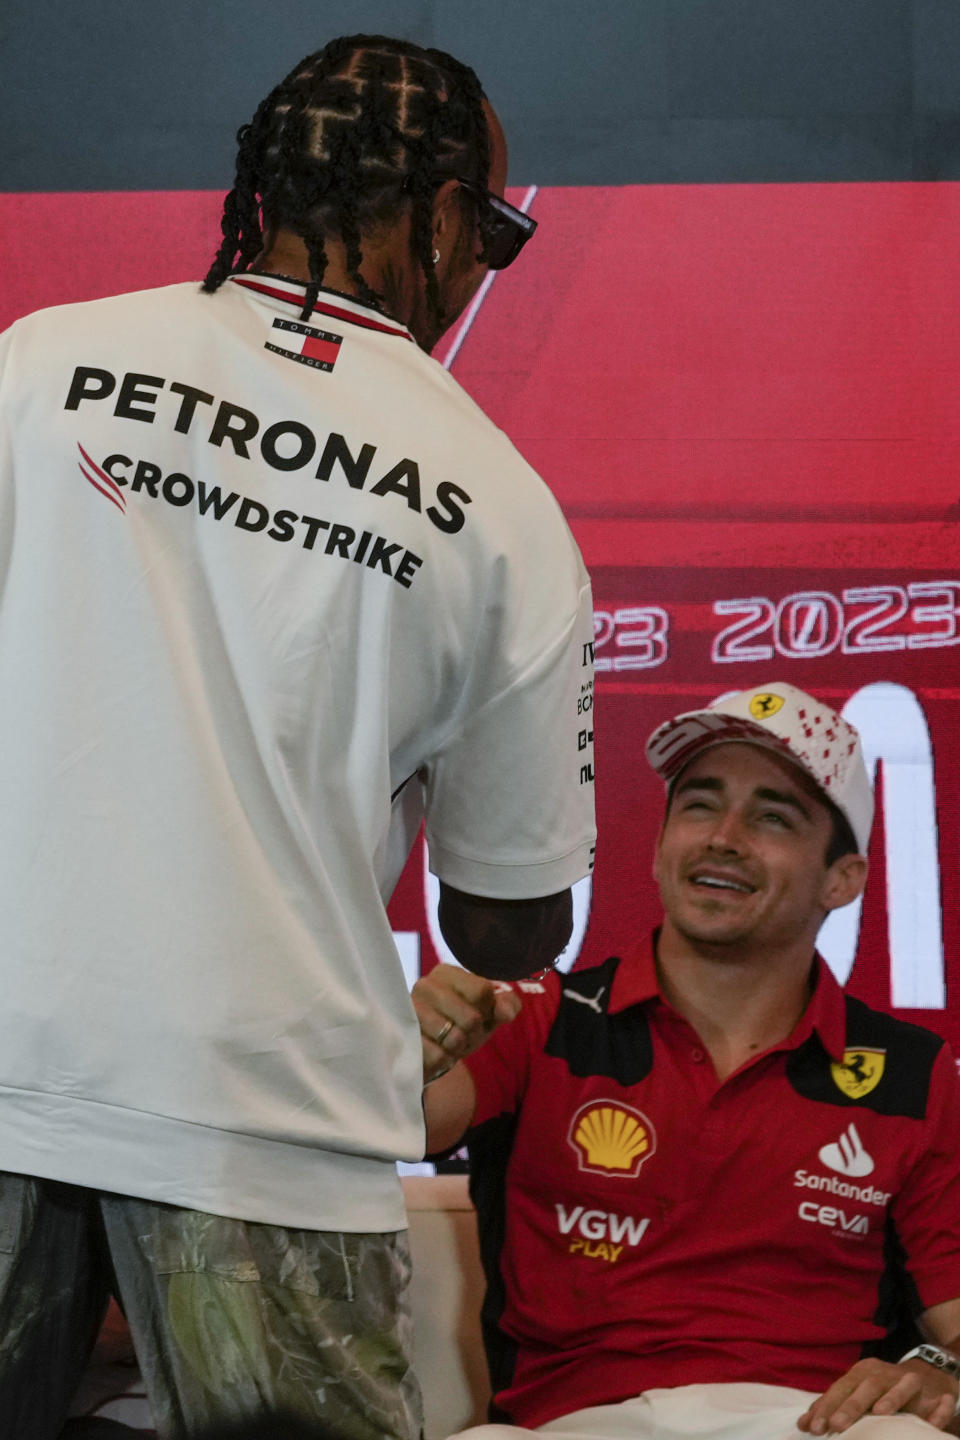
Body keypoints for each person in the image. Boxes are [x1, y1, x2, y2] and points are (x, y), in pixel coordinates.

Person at [0, 34, 595, 1440]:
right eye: (496, 237)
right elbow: (511, 918)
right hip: (263, 1109)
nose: (479, 269)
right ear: (446, 213)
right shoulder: (499, 507)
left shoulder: (41, 369)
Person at [415, 683, 960, 1440]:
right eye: (700, 805)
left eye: (773, 816)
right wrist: (413, 1054)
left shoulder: (911, 1073)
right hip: (573, 1425)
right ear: (663, 838)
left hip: (810, 1425)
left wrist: (942, 1369)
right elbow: (406, 1118)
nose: (724, 837)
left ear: (843, 879)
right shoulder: (540, 1017)